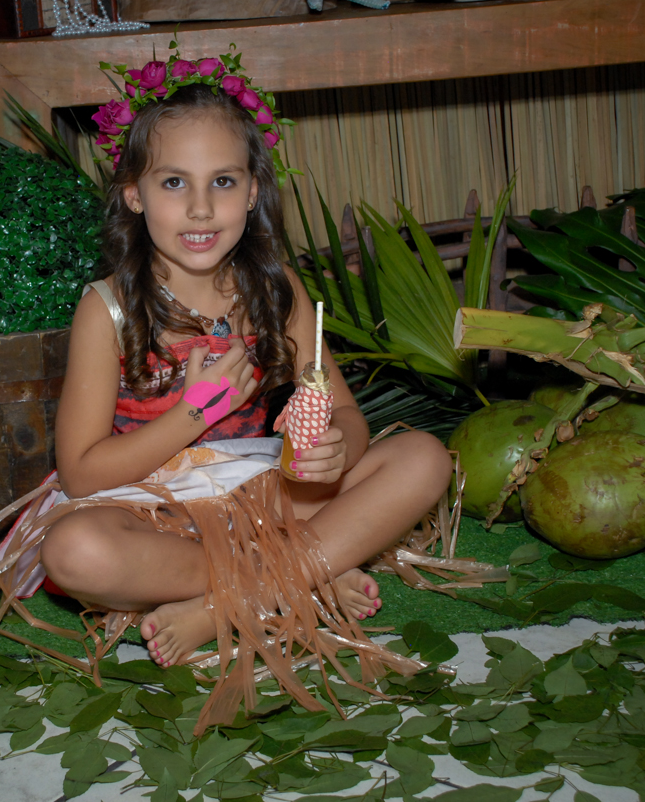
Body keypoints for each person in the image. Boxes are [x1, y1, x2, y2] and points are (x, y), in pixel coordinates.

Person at [36, 54, 453, 670]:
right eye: (174, 183)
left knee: (423, 457)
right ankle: (308, 574)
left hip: (260, 497)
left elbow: (344, 413)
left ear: (253, 190)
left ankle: (226, 604)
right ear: (133, 194)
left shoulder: (274, 288)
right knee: (74, 553)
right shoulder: (108, 310)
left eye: (223, 182)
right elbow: (80, 475)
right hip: (150, 512)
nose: (201, 209)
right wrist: (192, 414)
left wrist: (335, 444)